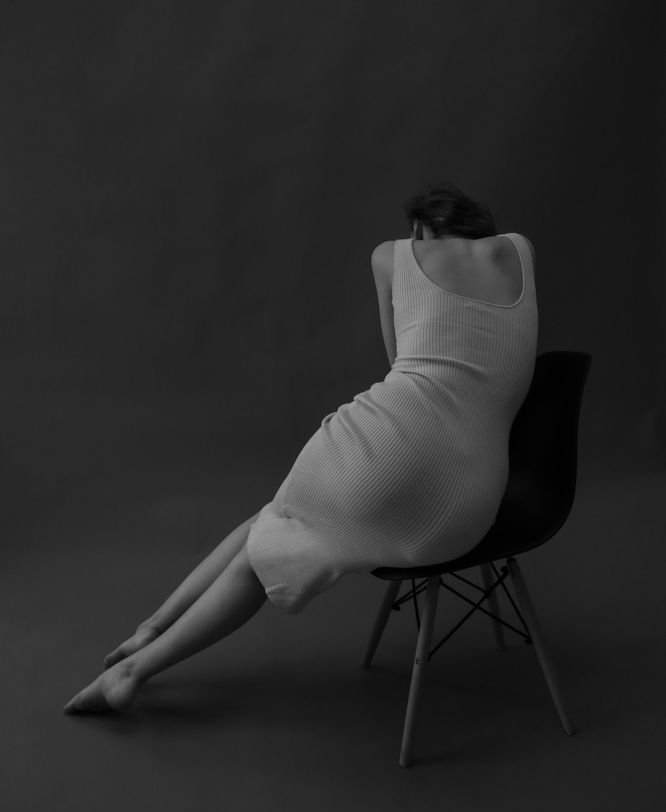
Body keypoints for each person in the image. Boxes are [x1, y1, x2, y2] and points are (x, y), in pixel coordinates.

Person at [63, 180, 538, 714]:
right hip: (469, 509)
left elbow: (399, 359)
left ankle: (135, 664)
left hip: (387, 450)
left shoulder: (392, 255)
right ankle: (148, 634)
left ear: (420, 230)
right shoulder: (520, 250)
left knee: (264, 541)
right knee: (273, 524)